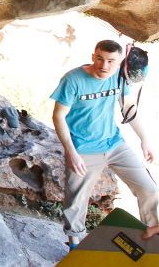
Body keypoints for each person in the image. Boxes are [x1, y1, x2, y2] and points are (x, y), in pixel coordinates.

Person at [52, 39, 158, 249]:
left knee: (149, 189)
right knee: (76, 199)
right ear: (93, 56)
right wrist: (71, 152)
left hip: (114, 143)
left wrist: (144, 139)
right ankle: (75, 243)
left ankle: (153, 236)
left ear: (119, 63)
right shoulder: (73, 80)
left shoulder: (119, 78)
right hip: (83, 148)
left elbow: (128, 107)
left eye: (111, 61)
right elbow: (58, 116)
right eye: (100, 59)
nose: (104, 65)